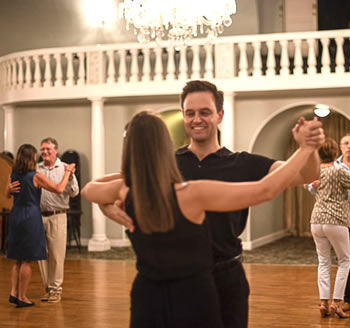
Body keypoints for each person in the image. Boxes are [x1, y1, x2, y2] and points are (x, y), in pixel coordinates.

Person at [82, 110, 322, 328]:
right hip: (192, 296)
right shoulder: (191, 194)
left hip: (147, 295)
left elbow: (90, 189)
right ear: (165, 146)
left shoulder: (126, 189)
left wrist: (107, 206)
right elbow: (264, 190)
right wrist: (304, 149)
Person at [308, 138, 350, 318]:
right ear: (334, 153)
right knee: (345, 261)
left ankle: (323, 303)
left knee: (323, 262)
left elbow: (306, 184)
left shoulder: (314, 171)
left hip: (316, 220)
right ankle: (337, 303)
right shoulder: (338, 171)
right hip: (336, 221)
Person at [6, 144, 74, 308]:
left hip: (15, 216)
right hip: (30, 217)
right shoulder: (35, 176)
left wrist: (8, 189)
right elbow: (59, 189)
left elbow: (8, 195)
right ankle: (22, 297)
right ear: (31, 158)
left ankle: (14, 293)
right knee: (27, 261)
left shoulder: (13, 174)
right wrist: (67, 172)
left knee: (18, 259)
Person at [37, 137, 79, 303]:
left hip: (58, 215)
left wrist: (69, 177)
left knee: (56, 255)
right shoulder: (36, 169)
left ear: (56, 151)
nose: (45, 152)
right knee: (41, 255)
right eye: (43, 149)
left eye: (48, 149)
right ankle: (48, 289)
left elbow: (75, 192)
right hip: (39, 216)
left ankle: (56, 290)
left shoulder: (64, 168)